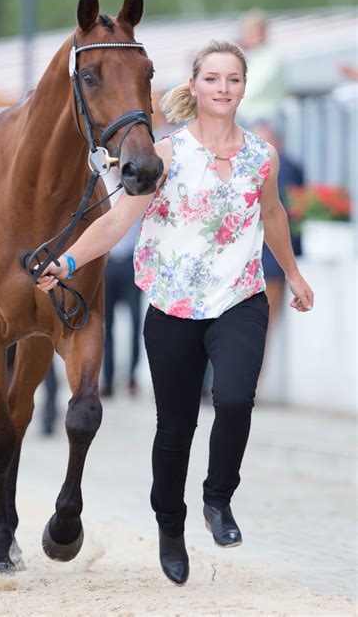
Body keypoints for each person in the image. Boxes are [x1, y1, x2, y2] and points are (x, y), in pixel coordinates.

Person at [37, 40, 314, 586]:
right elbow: (117, 224)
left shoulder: (262, 156)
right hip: (171, 305)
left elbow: (274, 216)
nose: (223, 88)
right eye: (212, 79)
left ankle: (218, 499)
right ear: (194, 86)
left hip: (240, 297)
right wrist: (66, 260)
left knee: (234, 399)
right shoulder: (164, 154)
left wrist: (295, 276)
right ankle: (170, 526)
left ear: (243, 86)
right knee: (176, 428)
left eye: (233, 79)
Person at [251, 121, 304, 331]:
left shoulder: (286, 168)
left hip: (270, 262)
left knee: (261, 328)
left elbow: (285, 211)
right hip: (251, 262)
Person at [101, 167, 142, 398]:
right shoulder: (102, 184)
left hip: (131, 263)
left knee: (137, 322)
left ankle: (132, 378)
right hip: (108, 263)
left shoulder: (136, 183)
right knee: (106, 325)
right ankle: (107, 380)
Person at [237, 10, 285, 127]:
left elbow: (255, 87)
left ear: (264, 32)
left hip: (263, 120)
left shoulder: (272, 58)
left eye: (253, 31)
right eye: (247, 31)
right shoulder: (249, 56)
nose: (249, 36)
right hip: (245, 117)